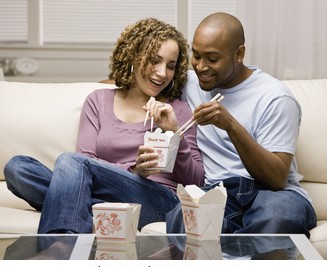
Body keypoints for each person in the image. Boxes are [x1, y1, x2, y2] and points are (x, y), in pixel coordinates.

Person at [3, 18, 204, 234]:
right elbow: (86, 160)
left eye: (170, 66)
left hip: (156, 200)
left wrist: (174, 133)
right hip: (100, 190)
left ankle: (60, 245)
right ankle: (84, 208)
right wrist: (134, 170)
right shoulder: (98, 101)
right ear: (134, 56)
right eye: (154, 61)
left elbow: (196, 180)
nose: (162, 72)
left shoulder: (176, 110)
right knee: (18, 168)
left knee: (70, 162)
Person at [166, 12, 317, 238]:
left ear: (239, 54)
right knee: (183, 216)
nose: (201, 66)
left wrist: (231, 125)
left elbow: (275, 179)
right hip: (219, 191)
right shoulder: (191, 82)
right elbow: (141, 81)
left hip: (274, 194)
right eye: (195, 55)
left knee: (275, 219)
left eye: (212, 59)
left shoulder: (275, 97)